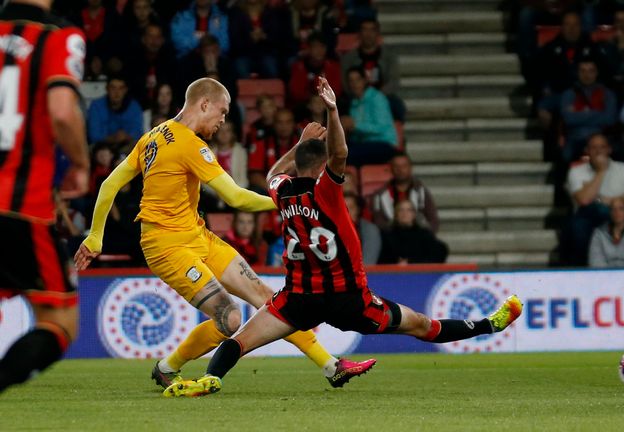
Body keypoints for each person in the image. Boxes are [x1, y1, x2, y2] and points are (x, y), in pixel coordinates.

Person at [163, 77, 523, 397]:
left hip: (298, 298)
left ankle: (212, 378)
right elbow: (341, 153)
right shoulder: (327, 193)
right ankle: (489, 324)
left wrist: (298, 144)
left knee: (240, 341)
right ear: (322, 169)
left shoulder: (282, 192)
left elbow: (274, 171)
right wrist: (333, 112)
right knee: (421, 325)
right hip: (348, 299)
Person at [74, 77, 372, 391]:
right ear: (204, 104)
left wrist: (95, 235)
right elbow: (236, 198)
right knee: (228, 318)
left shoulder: (152, 136)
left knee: (268, 298)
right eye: (222, 112)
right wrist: (292, 203)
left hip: (197, 235)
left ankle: (331, 366)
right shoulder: (190, 145)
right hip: (165, 246)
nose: (223, 120)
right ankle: (168, 367)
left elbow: (109, 184)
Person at [0, 0, 89, 393]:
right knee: (59, 320)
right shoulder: (58, 37)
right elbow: (62, 111)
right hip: (19, 207)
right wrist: (81, 164)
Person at [562, 133, 624, 266]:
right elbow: (584, 200)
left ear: (609, 149)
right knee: (579, 224)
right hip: (587, 220)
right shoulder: (576, 171)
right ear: (587, 151)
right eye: (594, 147)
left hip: (617, 216)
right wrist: (601, 172)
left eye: (602, 147)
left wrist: (605, 200)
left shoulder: (623, 169)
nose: (599, 151)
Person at [560, 59, 617, 162]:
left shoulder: (607, 94)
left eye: (591, 71)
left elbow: (609, 119)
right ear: (577, 73)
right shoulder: (568, 94)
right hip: (575, 138)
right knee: (564, 158)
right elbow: (568, 119)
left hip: (601, 137)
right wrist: (598, 113)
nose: (587, 75)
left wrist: (580, 113)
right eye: (583, 71)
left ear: (596, 73)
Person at [370, 151, 439, 233]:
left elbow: (433, 220)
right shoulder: (379, 195)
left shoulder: (421, 191)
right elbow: (379, 222)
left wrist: (425, 236)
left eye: (404, 166)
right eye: (396, 166)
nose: (400, 170)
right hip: (391, 239)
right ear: (391, 169)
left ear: (410, 168)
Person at [341, 66, 397, 166]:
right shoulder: (354, 102)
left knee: (345, 155)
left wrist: (354, 125)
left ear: (364, 80)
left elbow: (381, 128)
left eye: (358, 79)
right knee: (335, 151)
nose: (354, 84)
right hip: (364, 144)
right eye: (351, 80)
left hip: (383, 144)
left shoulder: (377, 98)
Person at [86, 74, 144, 154]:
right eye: (113, 88)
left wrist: (125, 137)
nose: (117, 92)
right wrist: (113, 138)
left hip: (126, 147)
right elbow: (94, 136)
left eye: (121, 88)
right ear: (107, 89)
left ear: (125, 90)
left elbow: (138, 134)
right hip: (101, 147)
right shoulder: (96, 106)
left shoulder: (134, 107)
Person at [379, 200, 448, 265]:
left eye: (409, 210)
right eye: (401, 210)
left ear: (414, 214)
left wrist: (411, 262)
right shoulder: (386, 235)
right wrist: (397, 262)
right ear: (396, 214)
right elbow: (382, 258)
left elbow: (439, 252)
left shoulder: (424, 234)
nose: (404, 213)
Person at [344, 191, 380, 265]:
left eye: (351, 207)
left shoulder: (370, 230)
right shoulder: (328, 230)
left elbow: (368, 262)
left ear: (357, 210)